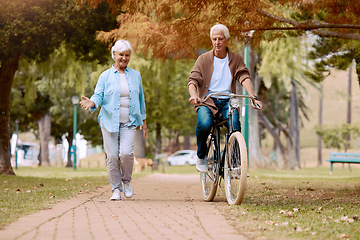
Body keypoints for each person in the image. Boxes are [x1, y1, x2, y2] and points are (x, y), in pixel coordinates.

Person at [187, 24, 263, 172]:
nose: (217, 42)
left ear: (227, 40)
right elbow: (193, 81)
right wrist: (194, 95)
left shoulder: (236, 59)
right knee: (204, 123)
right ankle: (201, 156)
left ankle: (233, 161)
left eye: (220, 39)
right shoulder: (203, 59)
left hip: (228, 101)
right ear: (211, 40)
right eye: (214, 39)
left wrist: (253, 97)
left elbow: (244, 77)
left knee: (235, 126)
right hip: (207, 101)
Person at [80, 40, 147, 201]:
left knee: (125, 153)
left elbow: (141, 99)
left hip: (129, 122)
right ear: (114, 55)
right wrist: (92, 102)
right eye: (121, 55)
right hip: (109, 121)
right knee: (111, 157)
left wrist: (143, 121)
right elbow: (98, 95)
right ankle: (115, 189)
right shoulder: (105, 76)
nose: (124, 58)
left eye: (127, 55)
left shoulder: (136, 75)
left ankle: (127, 181)